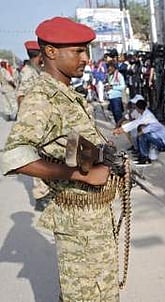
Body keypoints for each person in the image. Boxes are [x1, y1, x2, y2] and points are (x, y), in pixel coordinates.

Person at [0, 16, 125, 301]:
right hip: (77, 221)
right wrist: (80, 175)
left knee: (100, 292)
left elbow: (65, 144)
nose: (86, 58)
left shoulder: (67, 94)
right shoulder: (42, 97)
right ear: (51, 52)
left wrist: (100, 157)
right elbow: (15, 156)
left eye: (86, 51)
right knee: (86, 296)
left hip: (93, 216)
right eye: (78, 51)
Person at [15, 40, 52, 211]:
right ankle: (41, 196)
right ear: (38, 56)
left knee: (45, 155)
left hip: (42, 120)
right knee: (36, 156)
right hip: (34, 123)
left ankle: (46, 189)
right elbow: (21, 96)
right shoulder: (28, 73)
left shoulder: (37, 71)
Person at [113, 98, 165, 165]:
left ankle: (145, 158)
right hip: (158, 139)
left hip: (163, 143)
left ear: (138, 108)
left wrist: (121, 130)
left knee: (142, 136)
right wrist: (121, 129)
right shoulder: (144, 114)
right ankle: (142, 156)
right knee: (141, 135)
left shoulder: (148, 116)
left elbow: (136, 124)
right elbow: (135, 122)